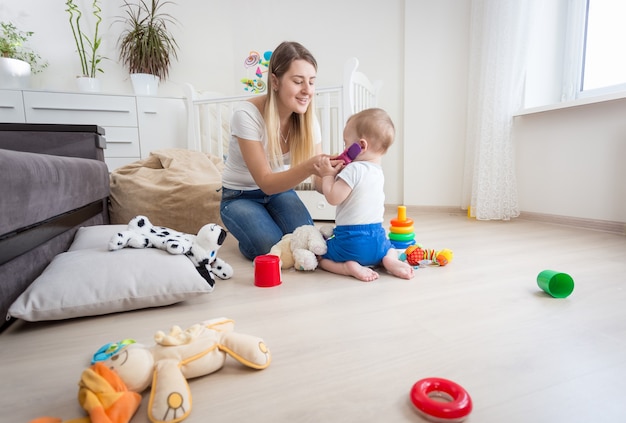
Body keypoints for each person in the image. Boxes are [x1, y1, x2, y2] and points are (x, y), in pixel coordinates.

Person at [220, 41, 334, 260]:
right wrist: (310, 165)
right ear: (275, 81)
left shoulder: (309, 121)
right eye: (298, 81)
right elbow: (265, 181)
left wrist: (333, 174)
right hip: (240, 196)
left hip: (280, 192)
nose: (307, 90)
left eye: (311, 82)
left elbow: (319, 182)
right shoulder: (246, 115)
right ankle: (251, 232)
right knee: (269, 246)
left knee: (307, 238)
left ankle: (269, 222)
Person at [314, 108, 415, 282]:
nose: (344, 149)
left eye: (346, 144)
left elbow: (333, 197)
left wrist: (327, 175)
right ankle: (389, 259)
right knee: (389, 247)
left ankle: (347, 267)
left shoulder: (353, 169)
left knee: (320, 256)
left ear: (360, 146)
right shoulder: (378, 172)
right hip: (378, 241)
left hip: (351, 243)